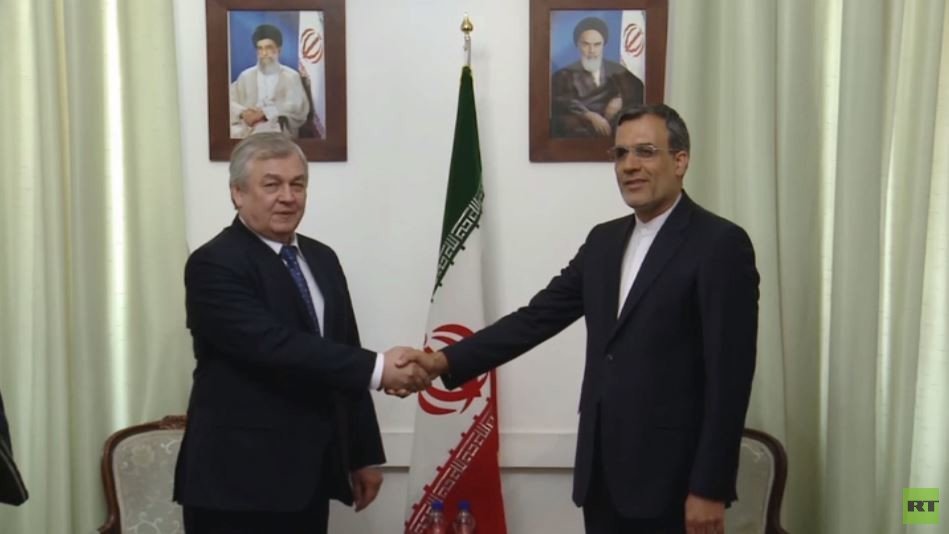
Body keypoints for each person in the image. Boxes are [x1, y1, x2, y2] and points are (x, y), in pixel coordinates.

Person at [399, 104, 759, 534]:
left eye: (645, 152)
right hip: (601, 478)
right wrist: (443, 360)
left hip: (675, 485)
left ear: (680, 161)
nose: (629, 166)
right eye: (620, 154)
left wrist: (710, 487)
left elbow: (730, 380)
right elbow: (536, 318)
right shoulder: (604, 241)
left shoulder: (720, 244)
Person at [173, 132, 431, 533]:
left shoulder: (322, 258)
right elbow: (271, 345)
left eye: (298, 184)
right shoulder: (214, 263)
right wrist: (381, 369)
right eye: (271, 185)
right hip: (235, 482)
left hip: (310, 476)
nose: (288, 197)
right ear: (238, 193)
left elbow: (343, 349)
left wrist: (362, 455)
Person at [551, 17, 644, 138]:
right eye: (586, 44)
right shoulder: (563, 75)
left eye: (597, 45)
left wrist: (621, 99)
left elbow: (638, 92)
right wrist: (589, 115)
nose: (591, 50)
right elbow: (560, 103)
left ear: (603, 45)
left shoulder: (617, 71)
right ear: (577, 45)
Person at [229, 24, 310, 139]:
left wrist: (264, 113)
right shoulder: (246, 76)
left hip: (277, 127)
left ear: (279, 50)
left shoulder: (291, 76)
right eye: (260, 48)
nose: (264, 53)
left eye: (268, 48)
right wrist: (243, 112)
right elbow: (229, 100)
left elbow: (295, 106)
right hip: (248, 128)